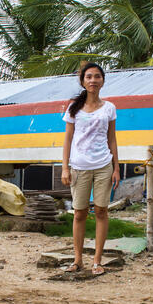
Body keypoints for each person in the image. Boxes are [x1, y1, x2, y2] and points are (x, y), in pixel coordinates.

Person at [61, 62, 120, 275]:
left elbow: (112, 139)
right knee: (79, 213)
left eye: (97, 76)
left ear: (102, 80)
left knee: (102, 211)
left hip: (104, 165)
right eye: (89, 77)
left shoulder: (110, 108)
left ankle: (97, 260)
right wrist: (65, 168)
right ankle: (78, 260)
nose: (93, 80)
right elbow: (67, 140)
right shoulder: (73, 108)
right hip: (79, 167)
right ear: (83, 81)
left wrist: (116, 168)